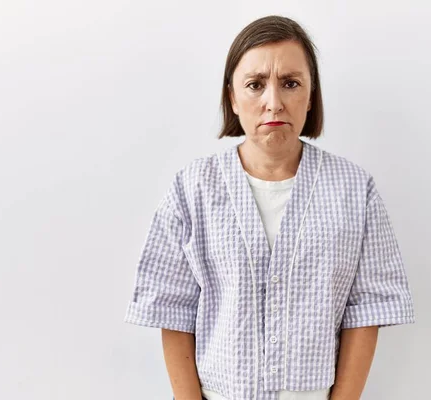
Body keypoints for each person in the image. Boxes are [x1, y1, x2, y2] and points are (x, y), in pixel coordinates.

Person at [124, 15, 415, 400]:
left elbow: (369, 309)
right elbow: (172, 309)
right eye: (255, 85)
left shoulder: (353, 189)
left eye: (291, 84)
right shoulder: (192, 188)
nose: (273, 102)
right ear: (232, 96)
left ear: (311, 97)